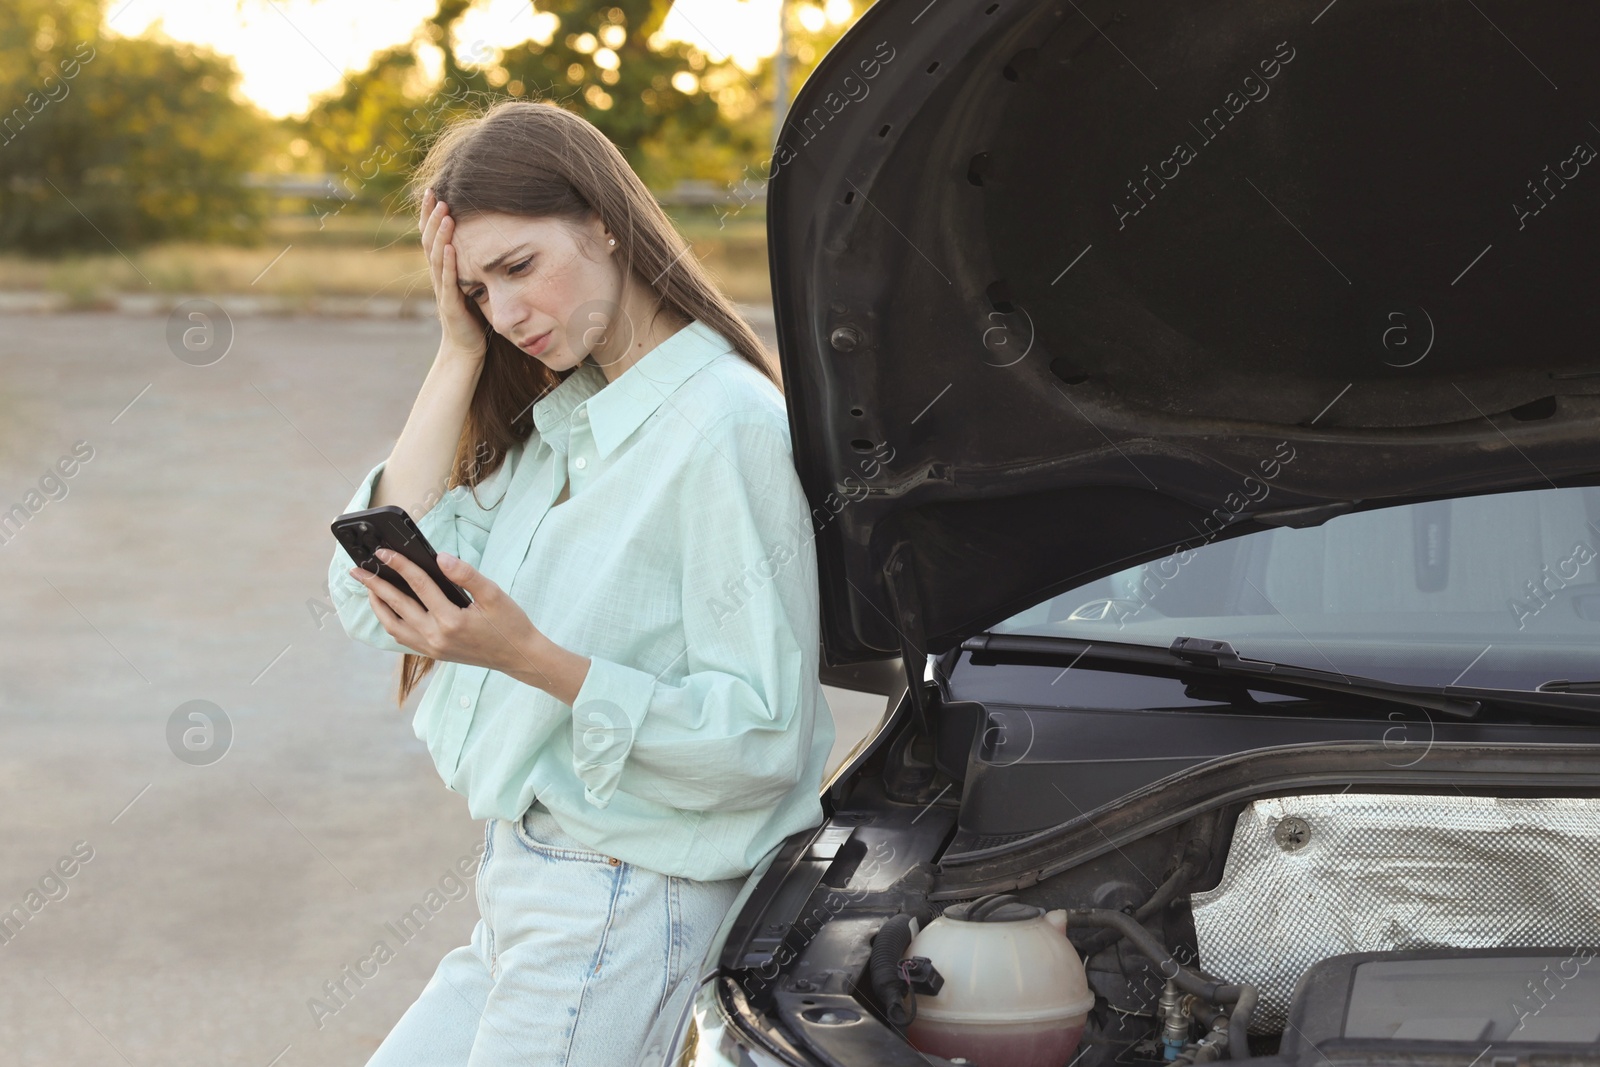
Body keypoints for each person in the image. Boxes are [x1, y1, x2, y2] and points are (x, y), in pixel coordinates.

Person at [325, 99, 836, 1067]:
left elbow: (761, 739)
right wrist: (456, 351)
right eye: (476, 289)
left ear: (604, 220)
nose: (507, 312)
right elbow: (369, 601)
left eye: (519, 268)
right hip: (528, 884)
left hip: (624, 892)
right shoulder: (571, 422)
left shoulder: (722, 425)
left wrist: (531, 658)